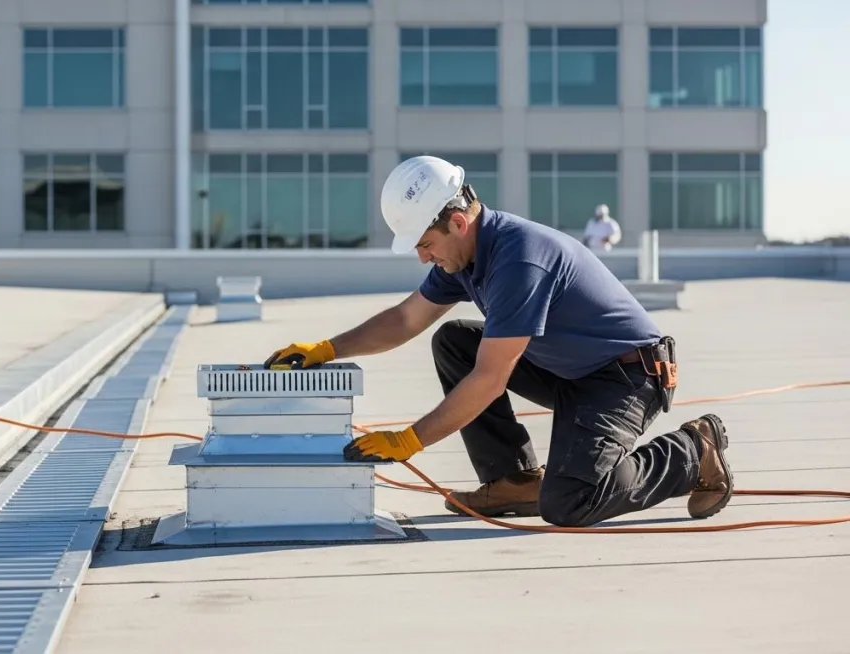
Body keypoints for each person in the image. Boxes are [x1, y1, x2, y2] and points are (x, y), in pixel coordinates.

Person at [263, 156, 733, 527]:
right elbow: (406, 319)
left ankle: (693, 450)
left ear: (457, 223)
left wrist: (411, 440)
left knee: (570, 503)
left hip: (625, 377)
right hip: (571, 371)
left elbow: (490, 379)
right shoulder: (463, 258)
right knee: (454, 341)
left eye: (424, 243)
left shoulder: (518, 261)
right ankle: (512, 479)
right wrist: (326, 349)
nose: (422, 257)